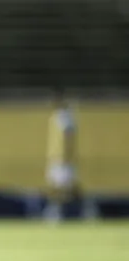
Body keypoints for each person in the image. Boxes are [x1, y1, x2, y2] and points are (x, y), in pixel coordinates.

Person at [43, 87, 98, 223]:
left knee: (68, 189)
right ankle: (58, 211)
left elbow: (69, 137)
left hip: (63, 160)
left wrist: (66, 157)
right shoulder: (56, 115)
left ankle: (87, 210)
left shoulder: (65, 117)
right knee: (57, 188)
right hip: (55, 158)